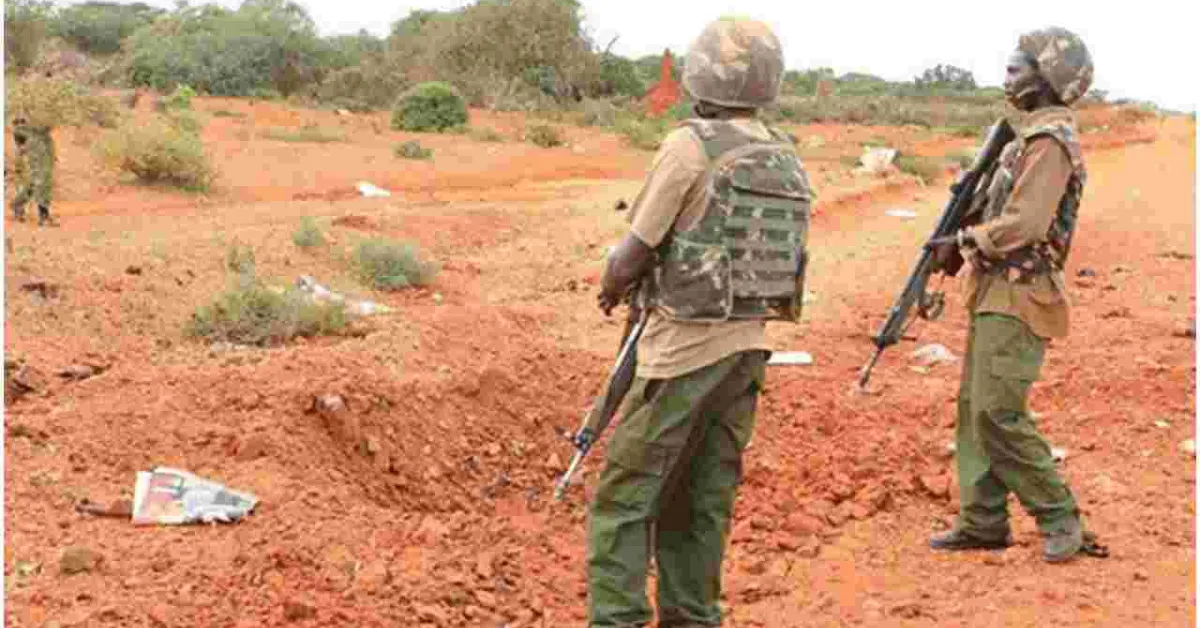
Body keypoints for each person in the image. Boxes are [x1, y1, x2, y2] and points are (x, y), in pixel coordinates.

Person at [587, 16, 813, 627]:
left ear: (699, 76)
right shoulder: (783, 153)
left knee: (623, 499)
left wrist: (612, 285)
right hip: (746, 353)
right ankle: (694, 617)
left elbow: (633, 251)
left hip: (681, 351)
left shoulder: (690, 145)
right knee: (702, 499)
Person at [927, 26, 1099, 563]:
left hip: (1022, 292)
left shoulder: (1050, 143)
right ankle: (982, 520)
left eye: (1017, 69)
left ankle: (1058, 514)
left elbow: (1024, 224)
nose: (1008, 78)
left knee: (998, 412)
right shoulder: (1026, 139)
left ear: (1047, 78)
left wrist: (964, 240)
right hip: (995, 289)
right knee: (975, 409)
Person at [9, 113, 59, 227]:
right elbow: (19, 135)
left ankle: (17, 204)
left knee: (34, 184)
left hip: (42, 156)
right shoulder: (26, 129)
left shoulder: (41, 133)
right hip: (37, 157)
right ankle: (43, 216)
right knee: (41, 183)